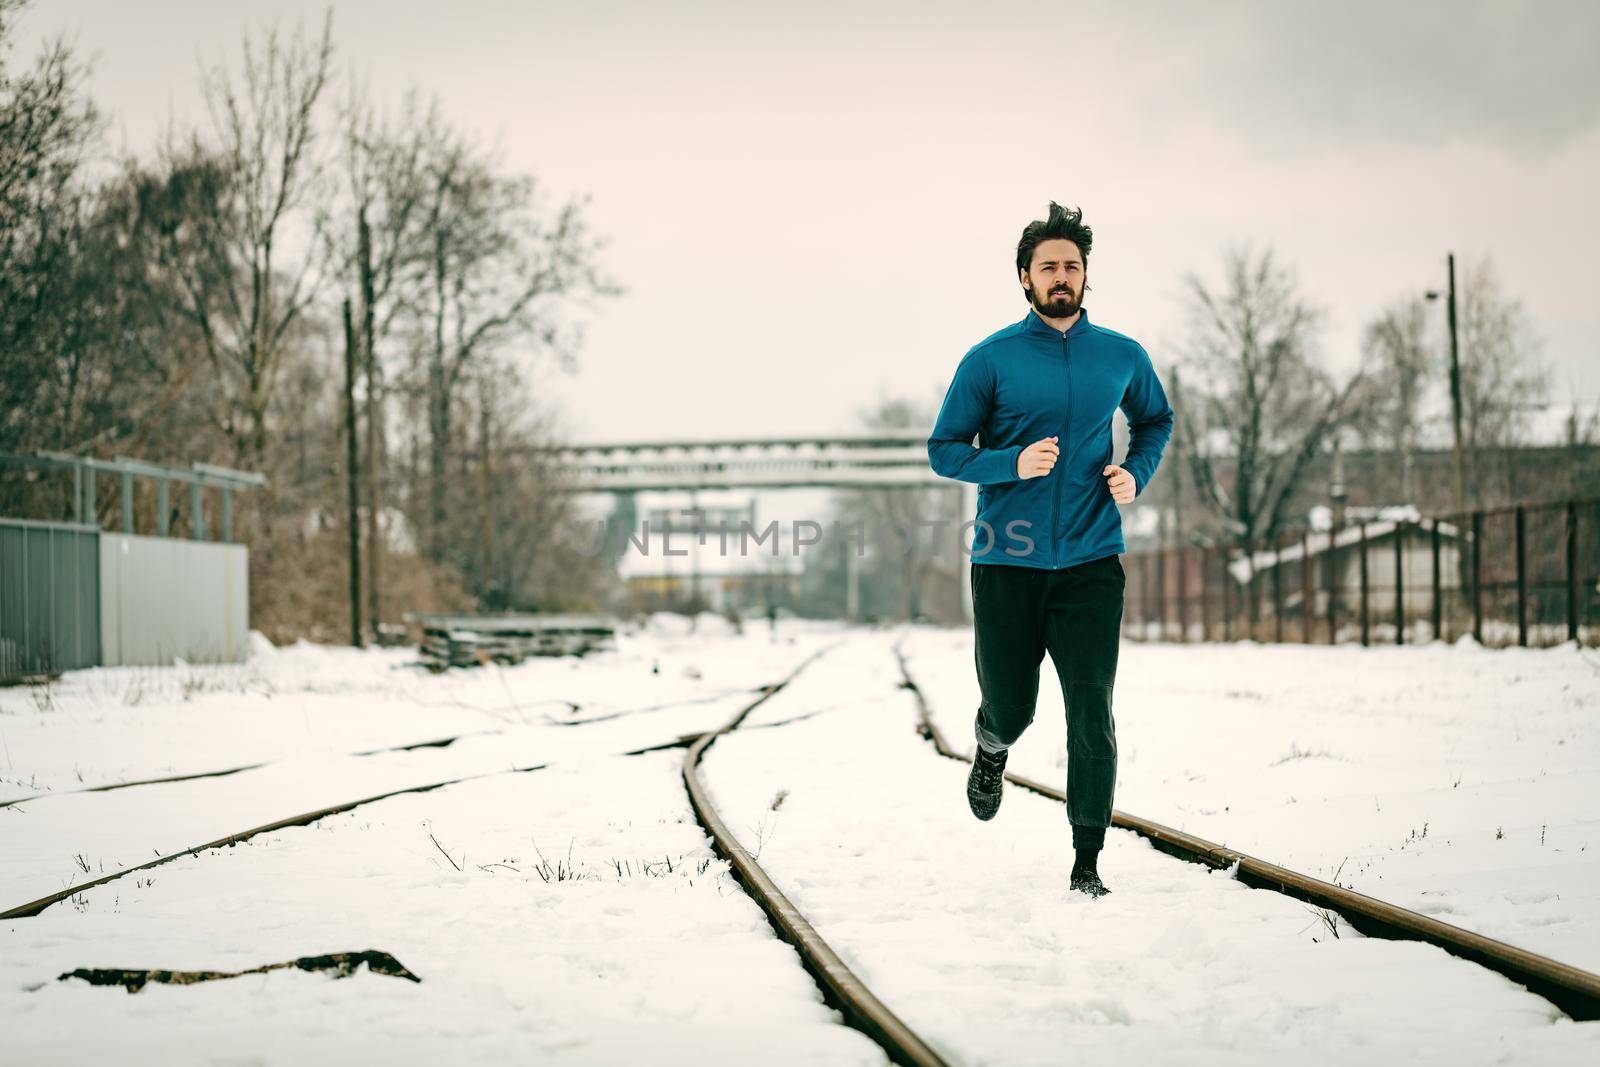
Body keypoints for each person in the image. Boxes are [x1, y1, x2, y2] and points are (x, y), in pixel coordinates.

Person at [926, 202, 1174, 898]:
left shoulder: (1122, 355)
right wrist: (1009, 463)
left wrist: (1136, 471)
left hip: (1093, 561)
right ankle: (992, 744)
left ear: (1086, 275)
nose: (1061, 276)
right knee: (1014, 704)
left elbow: (1156, 419)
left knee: (1091, 708)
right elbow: (944, 450)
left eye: (1071, 265)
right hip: (1007, 558)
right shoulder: (990, 359)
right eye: (1048, 266)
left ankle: (1087, 858)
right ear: (1024, 278)